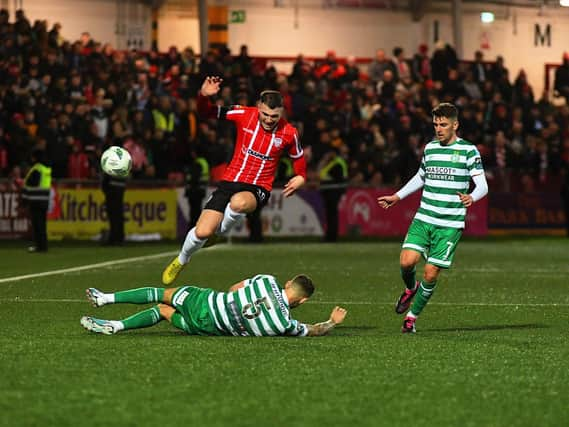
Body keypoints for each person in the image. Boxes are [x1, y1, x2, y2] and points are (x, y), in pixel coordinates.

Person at [162, 77, 307, 285]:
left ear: (282, 112)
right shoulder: (244, 114)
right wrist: (203, 96)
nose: (268, 119)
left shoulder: (289, 133)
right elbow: (207, 112)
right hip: (229, 182)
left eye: (274, 116)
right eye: (265, 114)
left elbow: (298, 158)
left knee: (239, 203)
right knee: (202, 231)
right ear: (258, 107)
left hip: (258, 188)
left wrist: (301, 176)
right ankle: (182, 260)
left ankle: (220, 231)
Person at [377, 103, 488, 333]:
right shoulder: (430, 148)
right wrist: (397, 196)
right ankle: (410, 289)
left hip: (449, 224)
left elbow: (483, 185)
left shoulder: (468, 151)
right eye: (436, 124)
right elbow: (421, 176)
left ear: (455, 125)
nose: (439, 129)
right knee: (406, 262)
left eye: (444, 124)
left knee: (430, 273)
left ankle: (411, 318)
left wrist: (472, 197)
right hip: (424, 217)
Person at [80, 273, 347, 337]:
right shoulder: (284, 324)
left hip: (205, 303)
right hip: (205, 327)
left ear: (288, 283)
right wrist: (333, 321)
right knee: (163, 312)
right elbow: (313, 330)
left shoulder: (267, 281)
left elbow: (233, 289)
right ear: (303, 300)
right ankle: (115, 325)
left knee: (161, 295)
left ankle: (105, 298)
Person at [21, 149, 51, 252]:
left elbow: (32, 184)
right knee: (42, 225)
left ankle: (40, 247)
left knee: (37, 225)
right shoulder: (46, 169)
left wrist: (24, 200)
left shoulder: (37, 169)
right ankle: (43, 245)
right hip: (44, 201)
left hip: (35, 201)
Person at [318, 147, 348, 242]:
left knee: (332, 215)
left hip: (333, 192)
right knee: (331, 215)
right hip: (330, 191)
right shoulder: (334, 162)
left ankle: (331, 237)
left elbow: (333, 177)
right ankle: (330, 236)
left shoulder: (337, 163)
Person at [101, 167, 126, 246]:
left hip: (111, 193)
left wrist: (106, 190)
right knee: (118, 216)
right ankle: (119, 238)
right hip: (118, 192)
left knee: (113, 216)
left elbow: (105, 181)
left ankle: (114, 238)